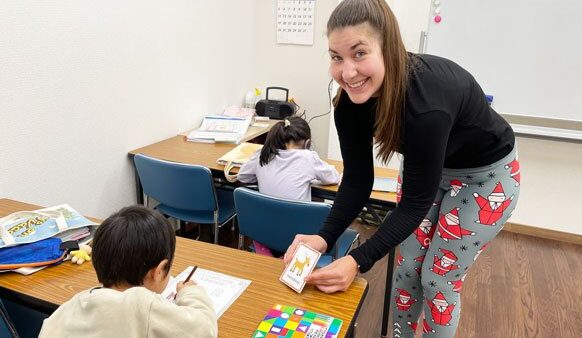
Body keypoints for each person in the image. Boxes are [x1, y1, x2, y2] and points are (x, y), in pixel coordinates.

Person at [283, 0, 520, 337]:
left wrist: (356, 260)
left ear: (388, 48)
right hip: (428, 169)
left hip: (486, 179)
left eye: (359, 53)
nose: (347, 72)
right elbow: (357, 181)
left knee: (437, 282)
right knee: (407, 272)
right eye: (336, 57)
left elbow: (412, 205)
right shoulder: (349, 104)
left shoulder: (426, 106)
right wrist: (324, 237)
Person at [39, 206, 218, 338]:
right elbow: (205, 329)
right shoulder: (142, 303)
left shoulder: (69, 307)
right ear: (158, 271)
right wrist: (190, 292)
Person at [238, 115, 341, 256]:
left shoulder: (263, 154)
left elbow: (242, 176)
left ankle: (271, 254)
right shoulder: (308, 157)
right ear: (307, 143)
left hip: (264, 232)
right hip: (299, 238)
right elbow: (334, 177)